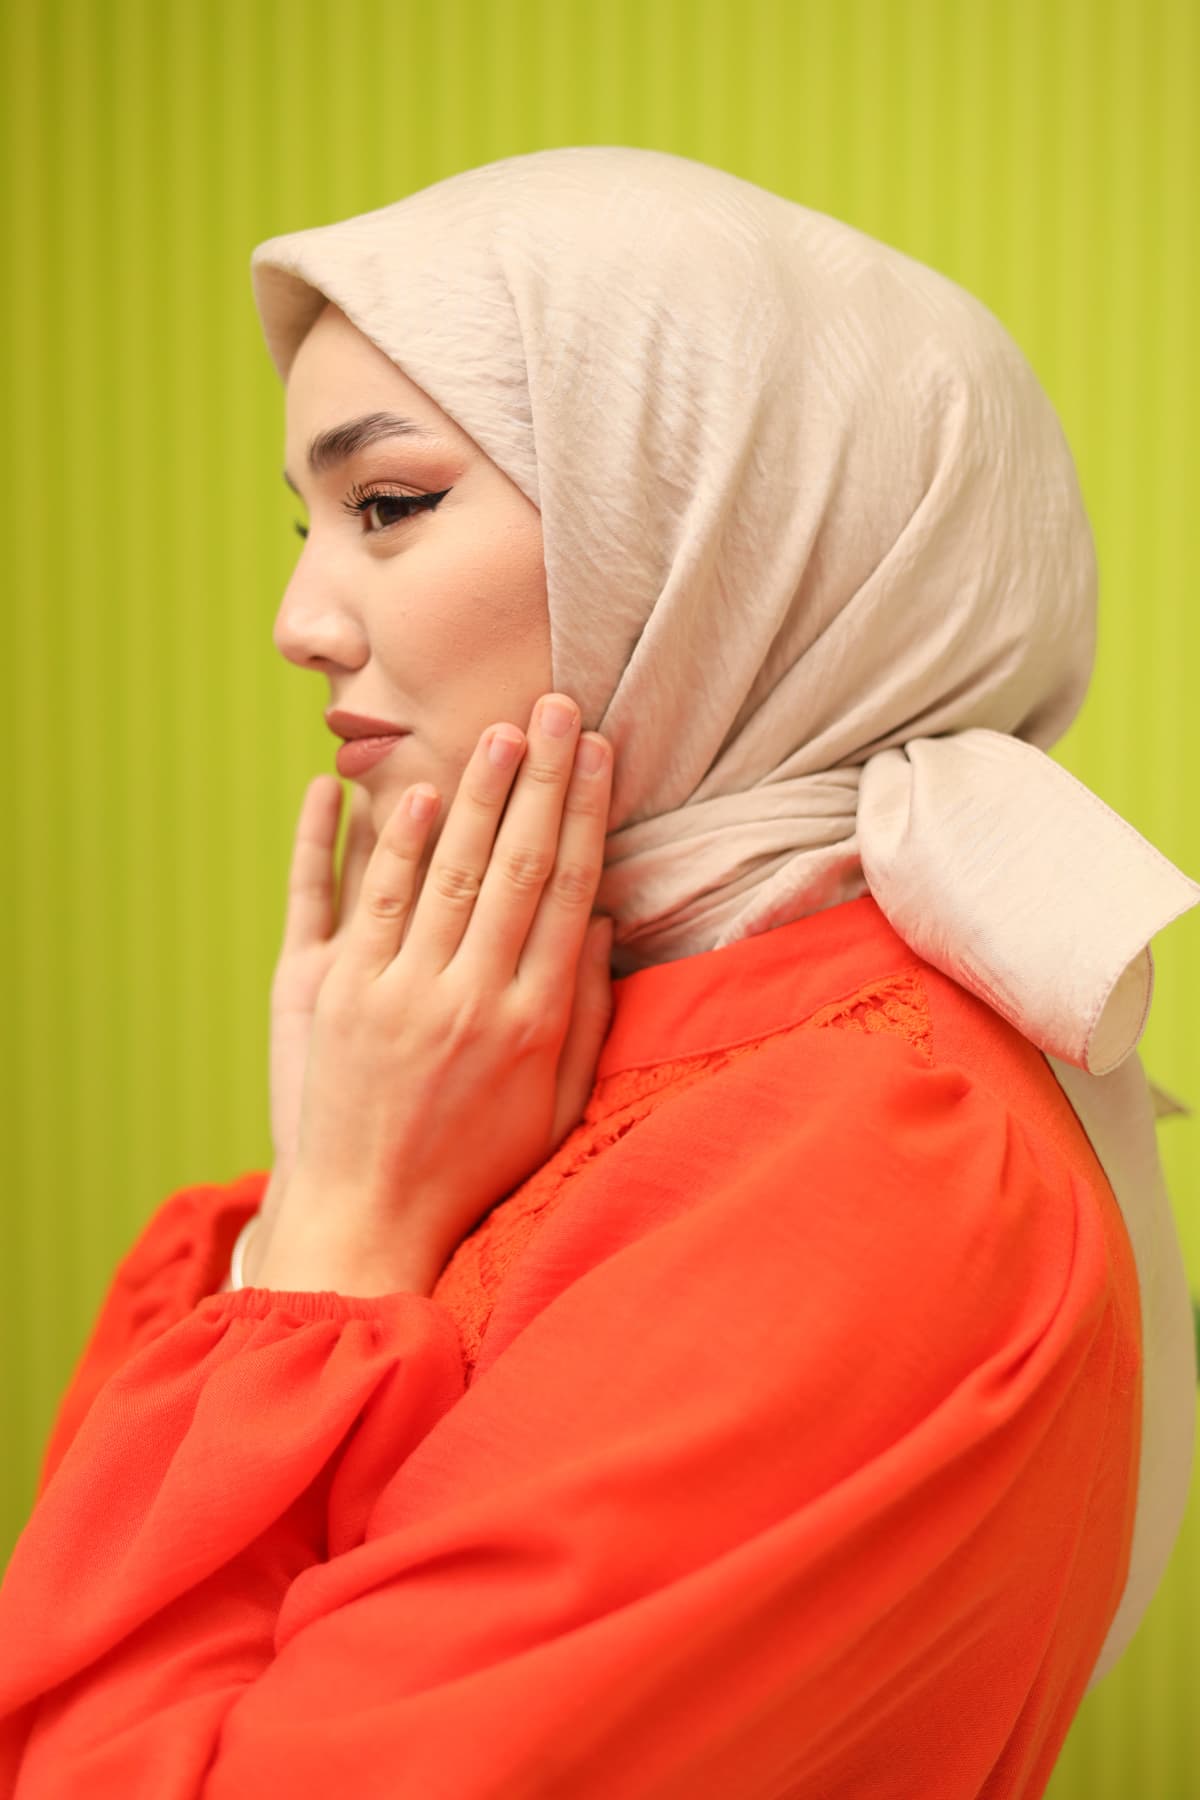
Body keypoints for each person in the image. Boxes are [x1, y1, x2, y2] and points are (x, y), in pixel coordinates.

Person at [0, 144, 1196, 1798]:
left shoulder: (863, 1165)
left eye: (389, 506)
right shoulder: (542, 1073)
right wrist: (326, 1199)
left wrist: (330, 1247)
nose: (300, 620)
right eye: (308, 522)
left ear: (714, 526)